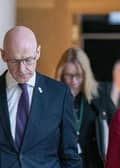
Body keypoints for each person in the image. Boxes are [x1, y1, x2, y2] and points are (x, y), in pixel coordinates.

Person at [0, 26, 81, 168]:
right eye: (14, 61)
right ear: (3, 55)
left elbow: (70, 156)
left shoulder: (59, 94)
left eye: (28, 60)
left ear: (38, 52)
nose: (22, 69)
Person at [56, 47, 116, 168]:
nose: (74, 81)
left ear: (86, 74)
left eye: (78, 75)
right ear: (61, 74)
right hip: (63, 163)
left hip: (93, 162)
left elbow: (116, 126)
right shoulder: (52, 97)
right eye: (69, 75)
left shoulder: (99, 95)